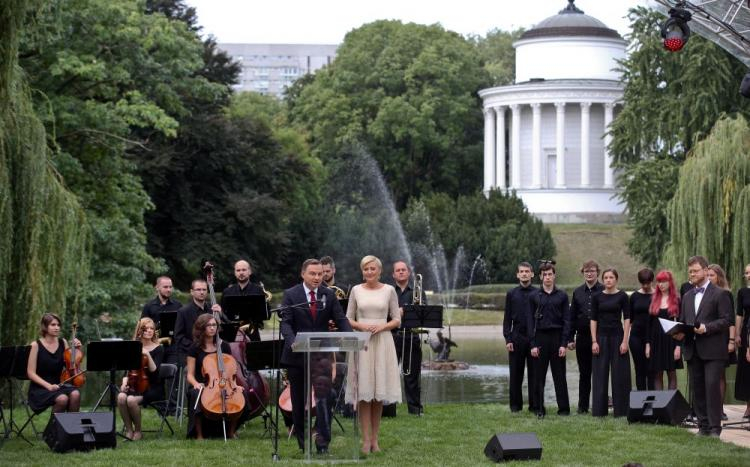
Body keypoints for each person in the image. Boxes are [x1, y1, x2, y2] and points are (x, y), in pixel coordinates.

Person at [280, 258, 352, 454]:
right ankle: (304, 444)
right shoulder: (291, 295)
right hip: (296, 356)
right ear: (303, 274)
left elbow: (340, 319)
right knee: (299, 401)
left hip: (321, 356)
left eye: (320, 274)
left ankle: (322, 444)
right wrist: (292, 340)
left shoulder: (328, 295)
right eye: (313, 274)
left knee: (323, 400)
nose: (317, 277)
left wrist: (351, 336)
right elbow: (285, 323)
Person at [345, 255, 402, 454]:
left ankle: (375, 440)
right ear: (362, 271)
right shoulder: (355, 290)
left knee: (378, 393)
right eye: (365, 269)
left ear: (379, 271)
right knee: (364, 393)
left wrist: (382, 326)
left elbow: (396, 319)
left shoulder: (389, 290)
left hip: (382, 341)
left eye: (372, 269)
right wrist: (361, 326)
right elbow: (348, 318)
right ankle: (365, 440)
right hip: (362, 343)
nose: (369, 272)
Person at [673, 255, 732, 437]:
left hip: (713, 349)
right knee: (697, 389)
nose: (692, 274)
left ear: (706, 271)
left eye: (696, 270)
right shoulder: (688, 295)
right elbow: (684, 321)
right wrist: (678, 332)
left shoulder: (721, 294)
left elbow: (727, 320)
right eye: (690, 271)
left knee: (712, 387)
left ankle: (715, 428)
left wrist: (707, 328)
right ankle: (703, 426)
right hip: (692, 349)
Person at [186, 314, 248, 439]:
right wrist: (196, 384)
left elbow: (230, 370)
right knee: (195, 394)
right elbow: (190, 375)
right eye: (208, 325)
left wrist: (235, 385)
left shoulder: (224, 346)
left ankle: (231, 431)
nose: (212, 328)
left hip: (224, 382)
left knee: (242, 394)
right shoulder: (194, 348)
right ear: (201, 328)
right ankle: (199, 434)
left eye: (214, 325)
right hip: (202, 384)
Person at [530, 262, 571, 418]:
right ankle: (539, 409)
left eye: (550, 274)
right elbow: (530, 321)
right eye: (544, 275)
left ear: (554, 276)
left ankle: (564, 409)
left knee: (559, 375)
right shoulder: (534, 297)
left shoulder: (562, 296)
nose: (547, 277)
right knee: (538, 376)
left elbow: (567, 321)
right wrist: (532, 344)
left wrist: (563, 343)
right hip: (540, 338)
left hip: (557, 337)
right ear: (540, 277)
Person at [590, 268, 631, 417]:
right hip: (601, 338)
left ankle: (621, 411)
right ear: (603, 280)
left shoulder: (623, 297)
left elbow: (627, 319)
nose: (608, 280)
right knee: (600, 375)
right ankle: (599, 411)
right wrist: (594, 341)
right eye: (606, 277)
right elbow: (593, 320)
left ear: (616, 279)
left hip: (618, 338)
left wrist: (625, 341)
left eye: (611, 277)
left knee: (620, 375)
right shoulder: (596, 297)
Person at [117, 318, 164, 440]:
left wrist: (147, 354)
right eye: (146, 329)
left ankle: (138, 431)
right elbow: (127, 371)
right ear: (139, 331)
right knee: (121, 397)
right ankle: (129, 430)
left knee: (131, 400)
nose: (149, 331)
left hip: (152, 387)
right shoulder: (133, 347)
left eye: (152, 328)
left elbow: (155, 373)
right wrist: (124, 383)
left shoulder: (159, 349)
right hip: (134, 384)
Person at [26, 313, 81, 414]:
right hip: (40, 388)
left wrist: (75, 350)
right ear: (45, 326)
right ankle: (53, 430)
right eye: (53, 325)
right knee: (62, 399)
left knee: (75, 394)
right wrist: (48, 386)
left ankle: (71, 428)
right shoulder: (35, 345)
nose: (57, 328)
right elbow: (30, 373)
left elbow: (70, 367)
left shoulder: (62, 342)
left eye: (58, 325)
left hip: (59, 385)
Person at [390, 260, 425, 416]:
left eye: (404, 270)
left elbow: (423, 313)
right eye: (398, 270)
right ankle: (388, 409)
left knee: (412, 375)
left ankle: (415, 409)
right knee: (390, 374)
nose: (401, 272)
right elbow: (385, 313)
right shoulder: (389, 291)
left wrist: (408, 310)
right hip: (393, 336)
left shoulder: (418, 291)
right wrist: (398, 312)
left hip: (412, 336)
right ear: (393, 274)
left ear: (409, 273)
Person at [568, 260, 603, 414]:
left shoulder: (604, 290)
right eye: (586, 271)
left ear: (597, 272)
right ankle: (582, 407)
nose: (589, 273)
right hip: (582, 338)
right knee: (584, 373)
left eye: (592, 270)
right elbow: (572, 317)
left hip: (600, 338)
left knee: (599, 373)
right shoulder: (577, 292)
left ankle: (599, 406)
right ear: (583, 273)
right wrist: (570, 338)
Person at [503, 262, 538, 413]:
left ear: (532, 274)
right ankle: (515, 407)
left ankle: (534, 406)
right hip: (516, 338)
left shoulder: (538, 293)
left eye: (527, 271)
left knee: (534, 375)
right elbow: (507, 319)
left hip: (534, 339)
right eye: (521, 271)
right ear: (517, 275)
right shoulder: (511, 294)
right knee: (515, 375)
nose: (524, 274)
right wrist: (508, 339)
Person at [707, 264, 736, 421]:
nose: (710, 278)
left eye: (712, 275)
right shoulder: (704, 294)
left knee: (720, 374)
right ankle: (709, 408)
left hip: (723, 337)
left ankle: (720, 408)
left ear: (719, 276)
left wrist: (731, 341)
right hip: (708, 337)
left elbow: (730, 319)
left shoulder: (726, 294)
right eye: (708, 275)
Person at [647, 270, 683, 390]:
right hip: (656, 341)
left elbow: (680, 325)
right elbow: (649, 326)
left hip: (671, 340)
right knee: (657, 374)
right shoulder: (654, 300)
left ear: (670, 283)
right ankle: (659, 407)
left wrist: (678, 346)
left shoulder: (677, 300)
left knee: (671, 373)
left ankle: (671, 406)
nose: (661, 284)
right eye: (659, 282)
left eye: (664, 281)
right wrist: (648, 344)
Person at [174, 279, 223, 357]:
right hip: (192, 352)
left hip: (213, 351)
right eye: (198, 289)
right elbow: (179, 337)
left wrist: (221, 314)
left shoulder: (213, 308)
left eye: (204, 289)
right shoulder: (183, 311)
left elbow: (224, 329)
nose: (202, 292)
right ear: (192, 292)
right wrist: (196, 347)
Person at [629, 268, 654, 390]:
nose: (645, 286)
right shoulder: (634, 296)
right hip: (636, 337)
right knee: (639, 369)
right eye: (643, 283)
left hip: (653, 336)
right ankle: (641, 402)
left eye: (647, 283)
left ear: (652, 281)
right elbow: (630, 319)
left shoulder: (657, 296)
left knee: (651, 369)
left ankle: (653, 402)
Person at [735, 263, 750, 418]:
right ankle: (748, 406)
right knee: (746, 369)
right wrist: (737, 334)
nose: (748, 275)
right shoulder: (743, 292)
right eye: (746, 272)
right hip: (746, 332)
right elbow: (739, 314)